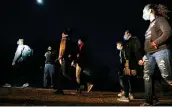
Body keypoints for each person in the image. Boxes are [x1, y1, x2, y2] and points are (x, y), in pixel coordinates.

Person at [139, 4, 172, 106]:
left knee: (167, 76)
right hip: (149, 54)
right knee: (147, 76)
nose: (143, 14)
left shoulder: (160, 20)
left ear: (150, 10)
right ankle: (149, 101)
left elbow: (167, 32)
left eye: (144, 11)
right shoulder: (149, 26)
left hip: (160, 51)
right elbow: (147, 43)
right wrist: (145, 56)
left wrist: (155, 43)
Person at [117, 30, 143, 102]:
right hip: (130, 62)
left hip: (131, 63)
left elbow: (137, 50)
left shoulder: (134, 40)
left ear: (129, 34)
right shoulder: (129, 41)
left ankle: (126, 96)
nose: (124, 35)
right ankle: (130, 95)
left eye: (125, 33)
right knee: (129, 79)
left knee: (126, 79)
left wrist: (139, 59)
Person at [54, 30, 73, 94]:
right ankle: (60, 90)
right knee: (61, 74)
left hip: (64, 59)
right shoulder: (66, 40)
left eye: (62, 34)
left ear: (65, 35)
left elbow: (63, 49)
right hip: (64, 58)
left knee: (64, 73)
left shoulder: (64, 40)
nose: (61, 35)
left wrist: (60, 57)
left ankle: (78, 84)